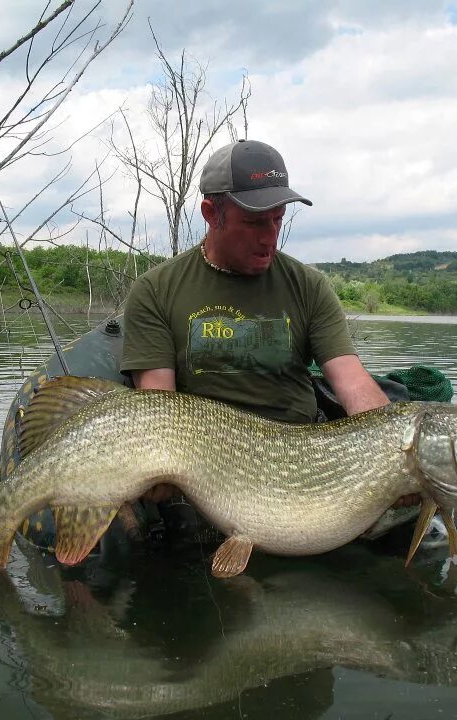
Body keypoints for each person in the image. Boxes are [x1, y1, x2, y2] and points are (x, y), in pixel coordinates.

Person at [121, 139, 421, 512]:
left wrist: (395, 455)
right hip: (205, 467)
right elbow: (158, 408)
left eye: (278, 218)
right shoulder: (156, 290)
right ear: (211, 213)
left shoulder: (308, 285)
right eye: (253, 222)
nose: (270, 236)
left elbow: (352, 381)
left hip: (302, 462)